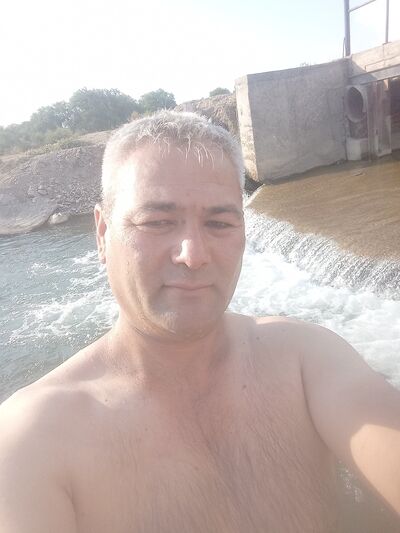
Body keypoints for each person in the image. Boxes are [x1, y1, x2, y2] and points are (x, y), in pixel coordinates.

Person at [0, 111, 399, 533]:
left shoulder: (308, 360)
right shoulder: (33, 441)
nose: (193, 255)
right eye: (157, 222)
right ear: (102, 234)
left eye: (219, 223)